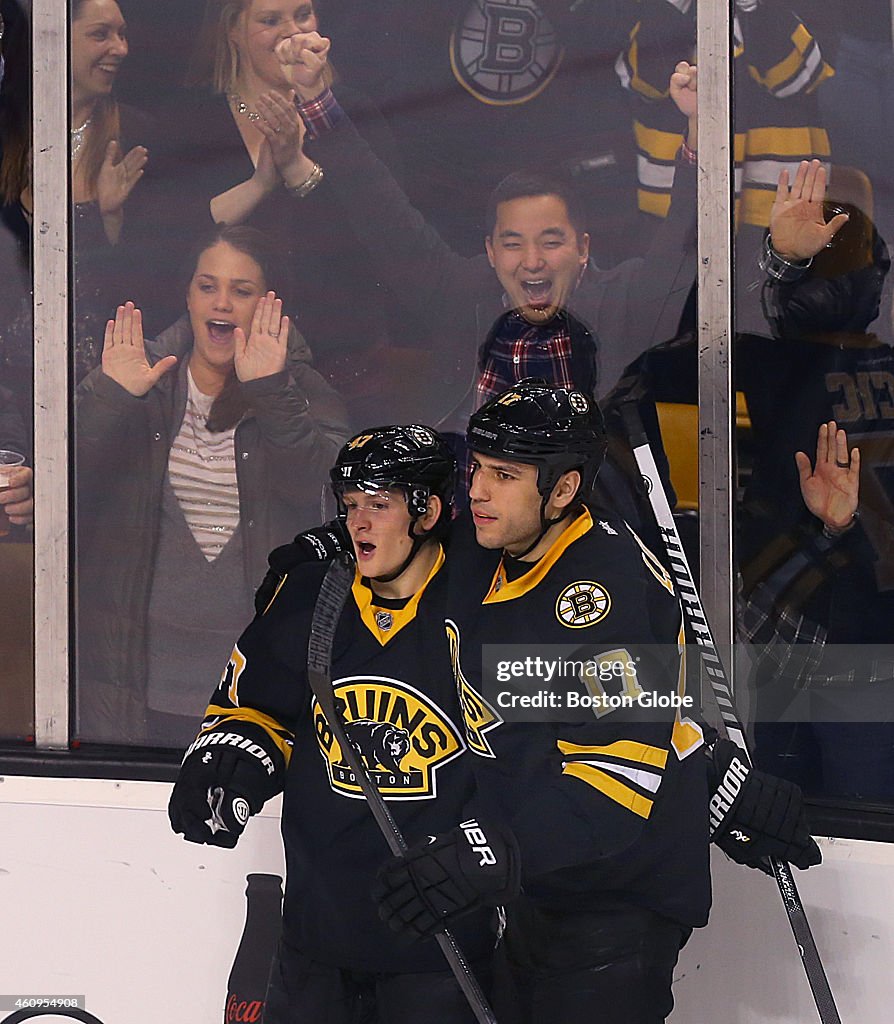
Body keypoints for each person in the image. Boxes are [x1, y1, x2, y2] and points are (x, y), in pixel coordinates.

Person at [371, 379, 820, 1023]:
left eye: (504, 475)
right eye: (478, 468)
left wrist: (485, 851)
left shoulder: (597, 590)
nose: (477, 490)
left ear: (562, 489)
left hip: (615, 901)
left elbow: (615, 777)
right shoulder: (495, 542)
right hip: (543, 883)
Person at [168, 426, 503, 1024]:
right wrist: (232, 759)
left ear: (427, 511)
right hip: (319, 932)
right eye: (351, 506)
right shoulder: (312, 593)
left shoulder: (486, 599)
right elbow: (255, 708)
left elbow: (538, 756)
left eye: (379, 505)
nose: (359, 523)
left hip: (441, 945)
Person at [275, 33, 700, 425]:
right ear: (491, 252)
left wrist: (700, 129)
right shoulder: (460, 293)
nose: (532, 262)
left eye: (551, 242)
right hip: (469, 497)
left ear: (583, 248)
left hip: (583, 502)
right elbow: (380, 210)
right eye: (513, 244)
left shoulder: (621, 303)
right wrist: (315, 97)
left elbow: (685, 241)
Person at [75, 224, 349, 747]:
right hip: (134, 688)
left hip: (253, 692)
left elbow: (328, 496)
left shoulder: (301, 390)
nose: (222, 302)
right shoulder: (140, 379)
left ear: (270, 307)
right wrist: (112, 396)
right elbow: (63, 483)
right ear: (188, 296)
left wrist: (270, 390)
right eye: (207, 286)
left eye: (241, 291)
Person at [137, 0, 403, 425]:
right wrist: (260, 184)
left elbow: (382, 234)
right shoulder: (190, 120)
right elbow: (171, 236)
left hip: (339, 368)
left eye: (302, 15)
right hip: (217, 371)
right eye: (270, 20)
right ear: (234, 31)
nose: (291, 32)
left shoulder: (349, 113)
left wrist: (297, 167)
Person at [0, 0, 152, 385]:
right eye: (101, 34)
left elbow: (152, 282)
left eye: (122, 34)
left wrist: (110, 218)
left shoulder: (139, 138)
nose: (120, 48)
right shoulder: (7, 133)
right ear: (51, 38)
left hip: (98, 383)